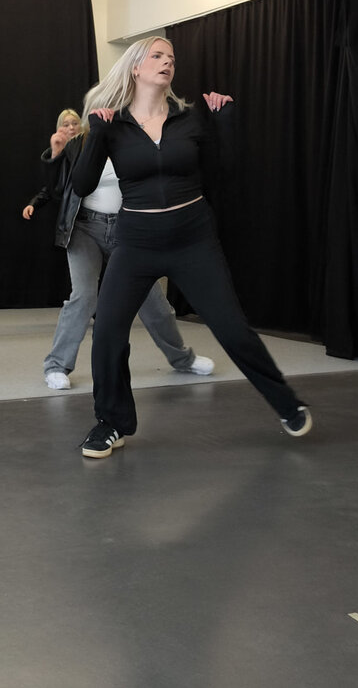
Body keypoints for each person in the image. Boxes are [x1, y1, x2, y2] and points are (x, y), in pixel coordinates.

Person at [71, 36, 310, 458]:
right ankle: (111, 423)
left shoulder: (190, 119)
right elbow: (81, 184)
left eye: (171, 58)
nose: (167, 62)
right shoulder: (114, 124)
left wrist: (225, 122)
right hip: (136, 243)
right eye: (157, 56)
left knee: (232, 329)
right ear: (135, 67)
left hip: (192, 240)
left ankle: (286, 403)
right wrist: (97, 134)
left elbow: (224, 174)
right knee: (107, 332)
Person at [38, 102, 214, 391]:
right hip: (85, 228)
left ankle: (182, 358)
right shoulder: (80, 143)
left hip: (127, 229)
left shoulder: (134, 140)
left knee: (154, 302)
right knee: (83, 297)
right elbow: (58, 191)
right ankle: (56, 365)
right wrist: (56, 153)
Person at [22, 108, 81, 222]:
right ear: (60, 129)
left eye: (75, 123)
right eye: (66, 125)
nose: (71, 128)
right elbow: (52, 186)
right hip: (69, 214)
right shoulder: (58, 152)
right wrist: (34, 204)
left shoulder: (88, 149)